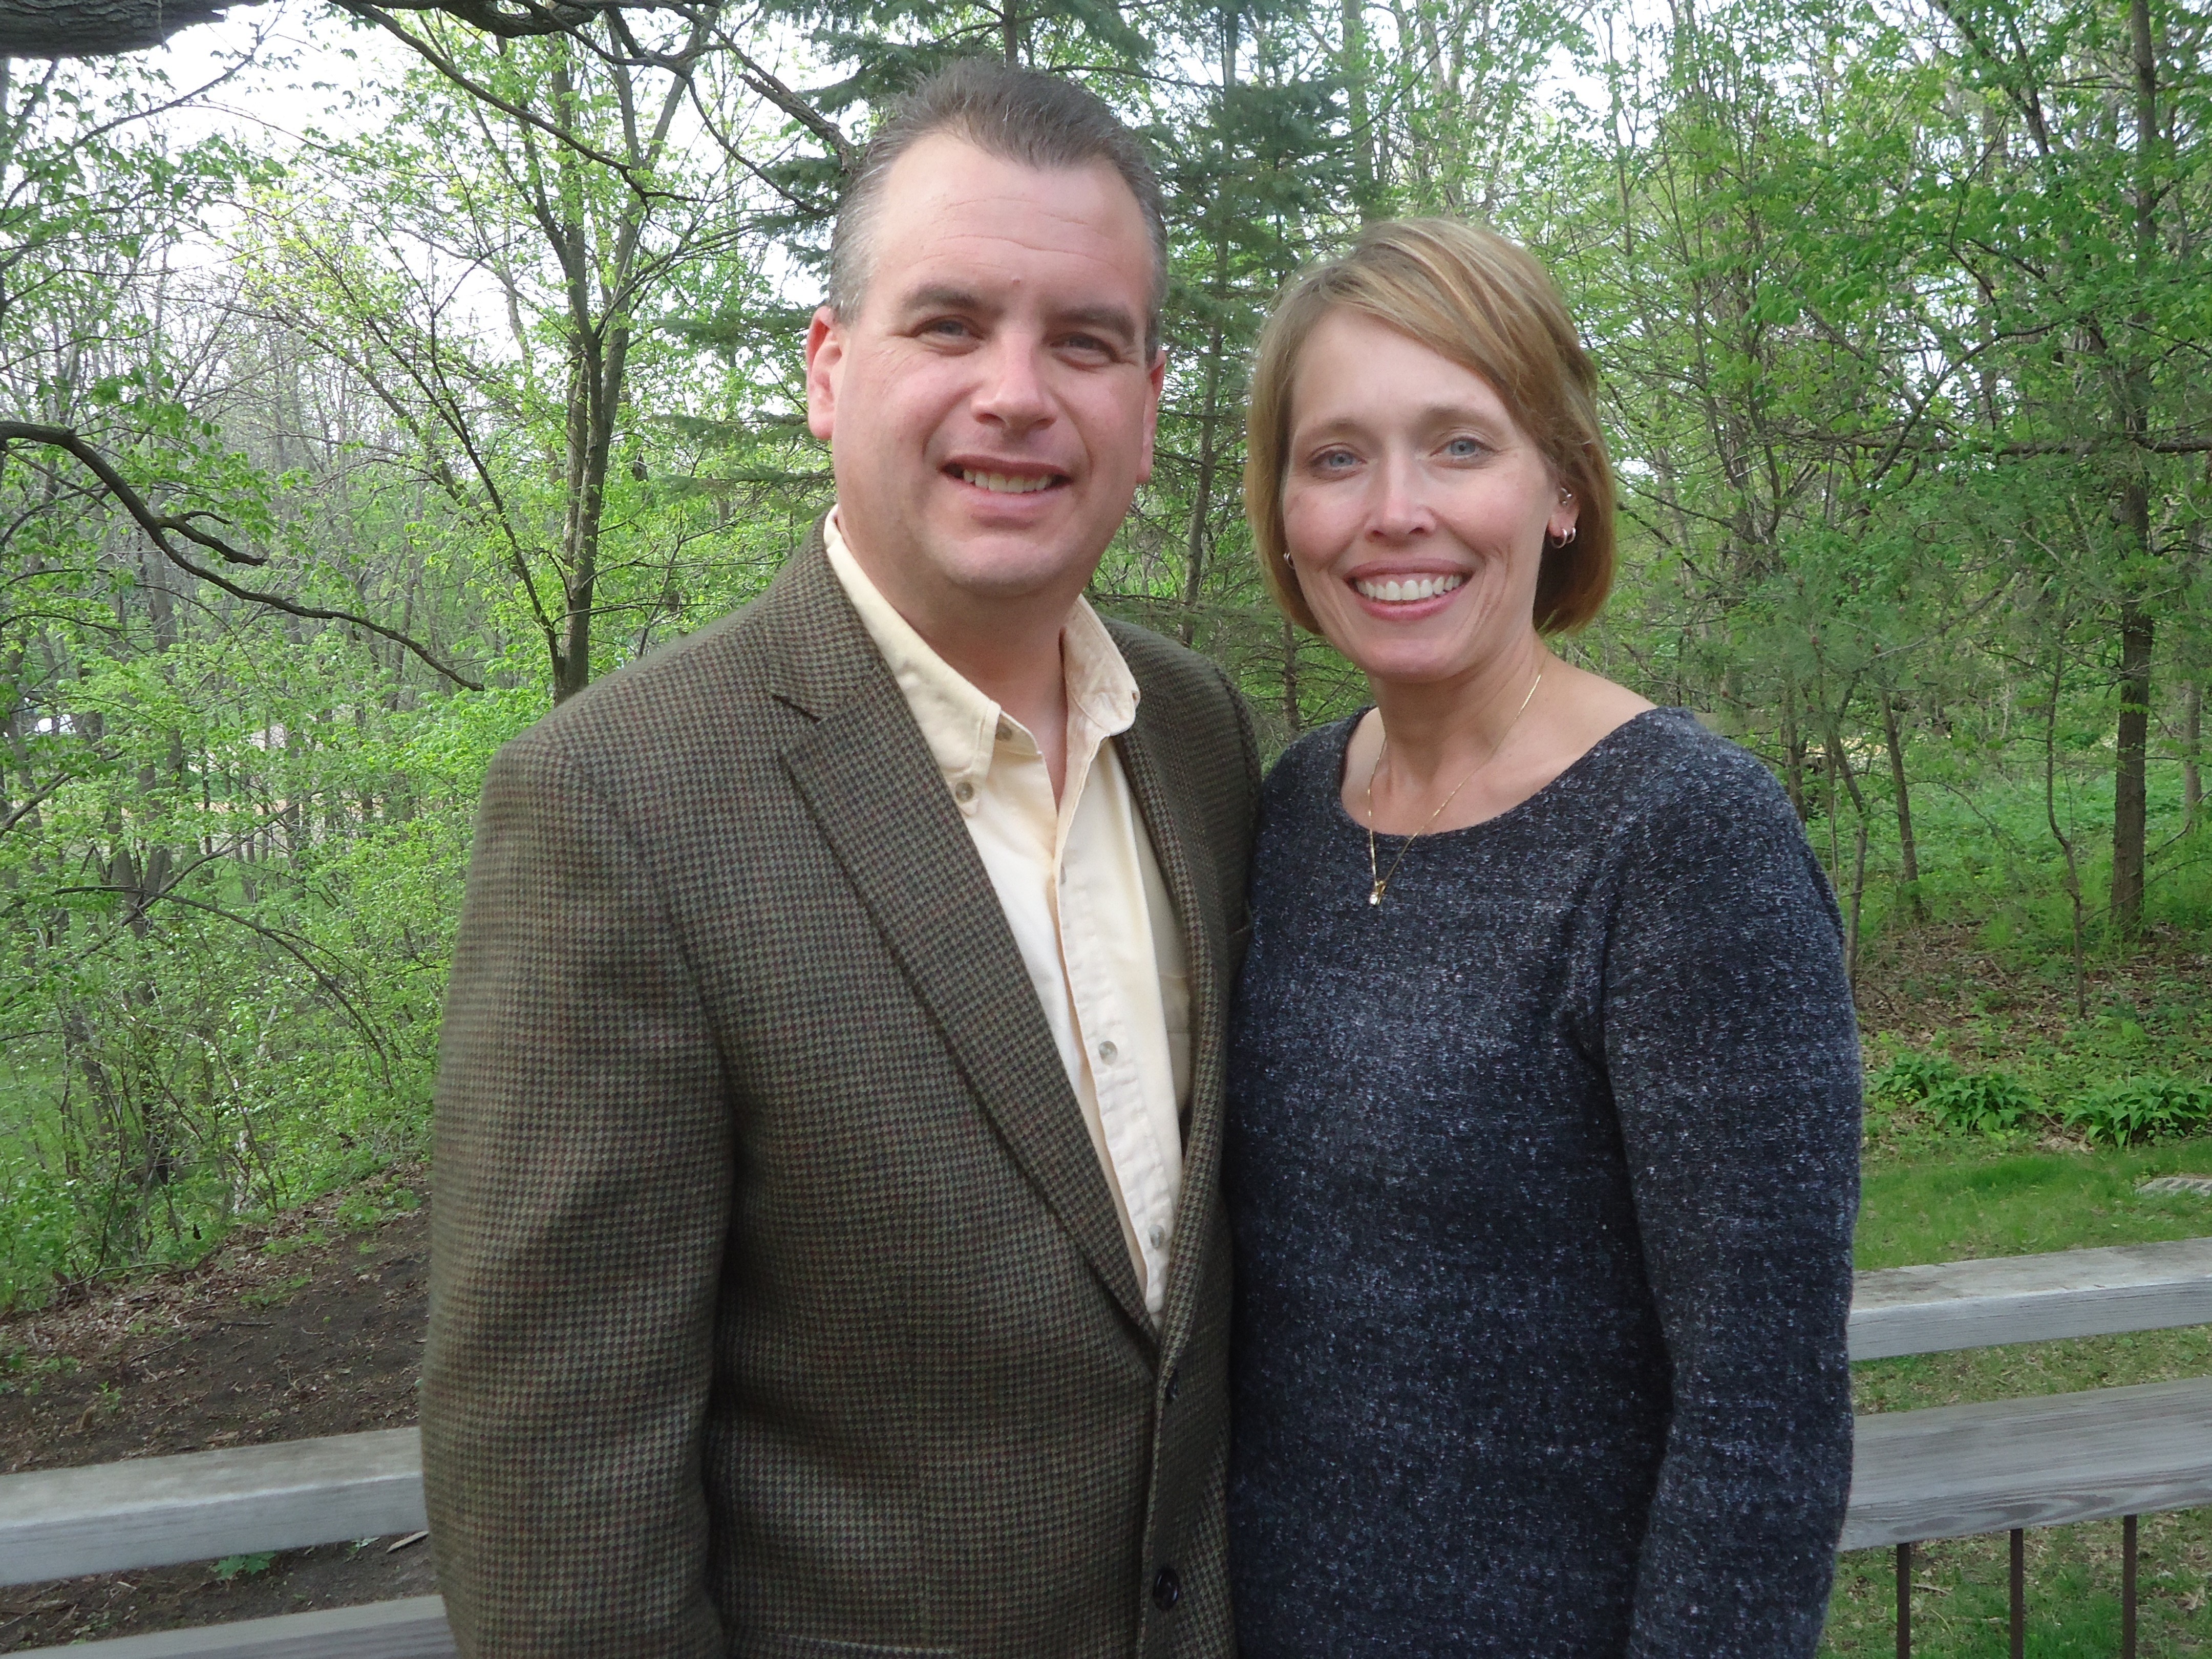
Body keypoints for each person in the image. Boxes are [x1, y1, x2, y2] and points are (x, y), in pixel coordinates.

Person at [422, 61, 1259, 1658]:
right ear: (830, 369)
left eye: (1085, 341)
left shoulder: (1199, 739)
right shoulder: (617, 807)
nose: (1016, 393)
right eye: (950, 324)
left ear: (1150, 407)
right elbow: (553, 1501)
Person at [1222, 218, 1861, 1655]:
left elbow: (1762, 1414)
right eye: (1337, 457)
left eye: (1461, 446)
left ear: (1562, 487)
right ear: (1283, 511)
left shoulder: (1684, 837)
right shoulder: (1290, 810)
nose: (1396, 510)